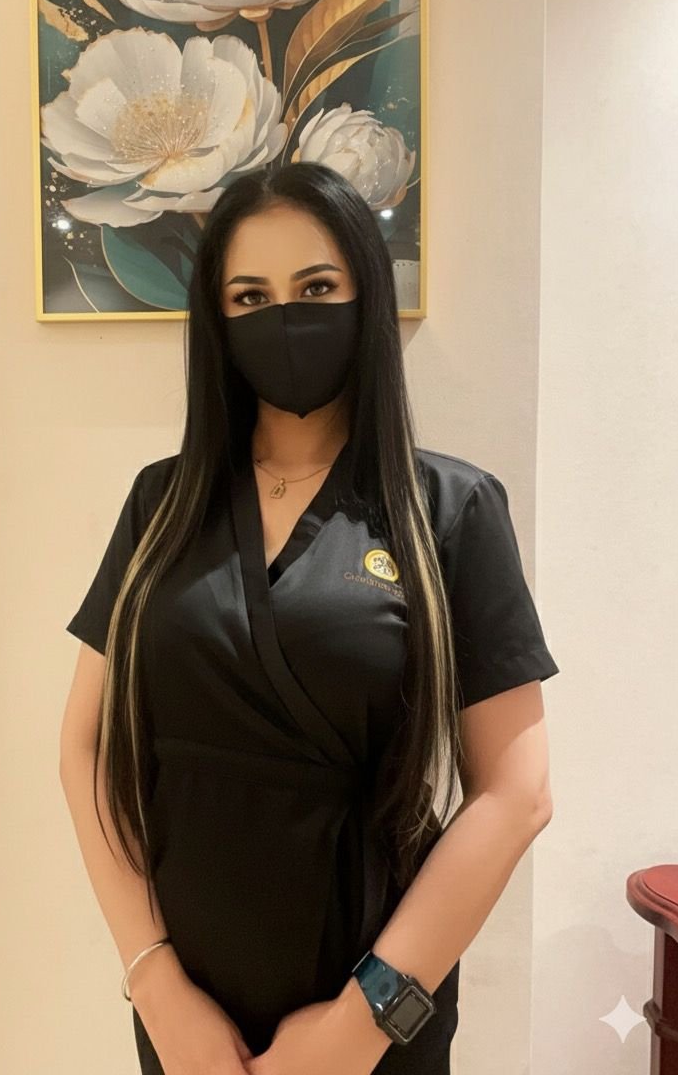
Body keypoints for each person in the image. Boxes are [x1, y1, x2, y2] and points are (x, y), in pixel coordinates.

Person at [58, 161, 560, 1075]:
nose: (284, 315)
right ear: (216, 319)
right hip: (187, 1020)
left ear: (366, 297)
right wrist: (155, 983)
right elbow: (85, 746)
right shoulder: (161, 506)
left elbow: (516, 793)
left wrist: (359, 1026)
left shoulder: (449, 509)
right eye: (250, 296)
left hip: (370, 1017)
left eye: (317, 287)